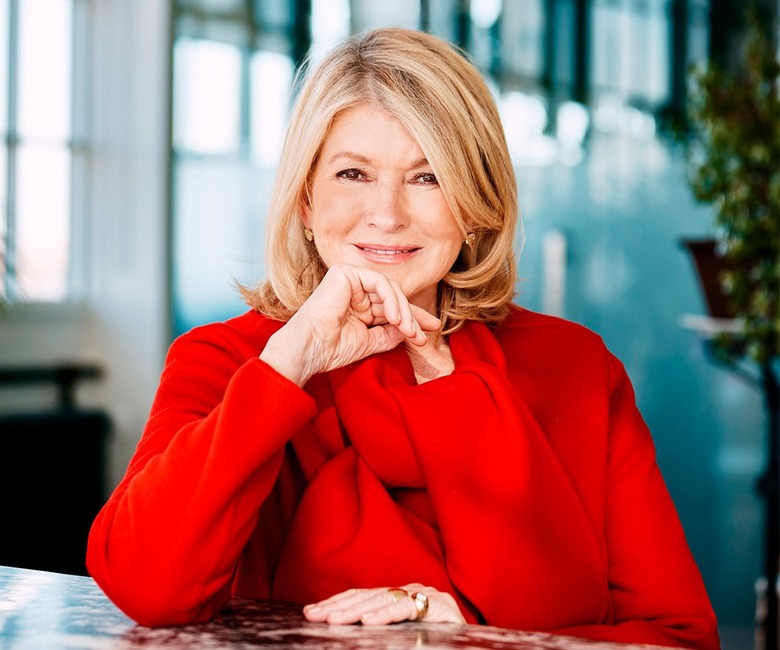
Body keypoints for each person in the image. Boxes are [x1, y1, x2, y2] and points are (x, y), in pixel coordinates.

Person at [87, 27, 720, 649]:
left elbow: (681, 638)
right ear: (305, 200)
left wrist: (468, 630)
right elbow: (148, 589)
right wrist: (287, 362)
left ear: (476, 203)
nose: (387, 213)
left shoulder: (576, 368)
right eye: (353, 174)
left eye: (426, 177)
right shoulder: (226, 359)